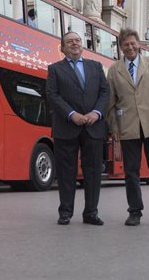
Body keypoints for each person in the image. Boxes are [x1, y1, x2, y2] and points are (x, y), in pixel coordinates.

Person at [106, 28, 149, 227]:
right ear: (121, 47)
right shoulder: (114, 70)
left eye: (133, 43)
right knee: (131, 172)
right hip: (128, 127)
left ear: (139, 44)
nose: (130, 47)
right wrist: (114, 128)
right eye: (126, 44)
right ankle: (134, 211)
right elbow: (111, 102)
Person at [46, 31, 109, 226]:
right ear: (63, 48)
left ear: (83, 45)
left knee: (93, 173)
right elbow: (52, 95)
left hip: (93, 127)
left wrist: (96, 113)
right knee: (66, 173)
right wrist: (72, 114)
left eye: (78, 40)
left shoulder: (96, 67)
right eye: (69, 41)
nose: (74, 43)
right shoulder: (55, 69)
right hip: (67, 127)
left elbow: (105, 92)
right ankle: (65, 212)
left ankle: (91, 212)